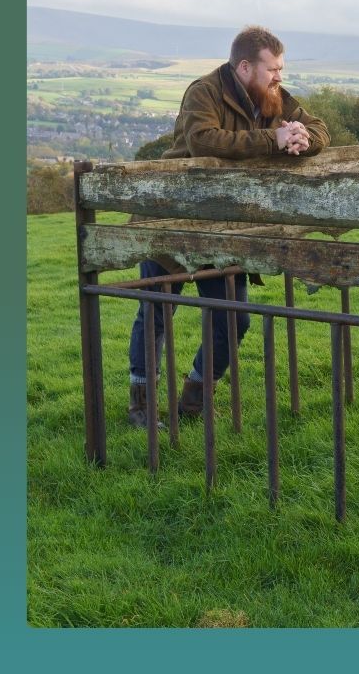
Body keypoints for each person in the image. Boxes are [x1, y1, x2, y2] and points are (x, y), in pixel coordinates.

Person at [126, 26, 330, 427]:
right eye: (272, 69)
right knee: (156, 310)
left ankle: (193, 399)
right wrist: (273, 139)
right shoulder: (203, 91)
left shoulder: (272, 97)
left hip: (220, 228)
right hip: (169, 217)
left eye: (280, 69)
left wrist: (302, 139)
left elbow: (319, 127)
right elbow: (204, 140)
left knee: (234, 318)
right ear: (244, 67)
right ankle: (141, 406)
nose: (279, 77)